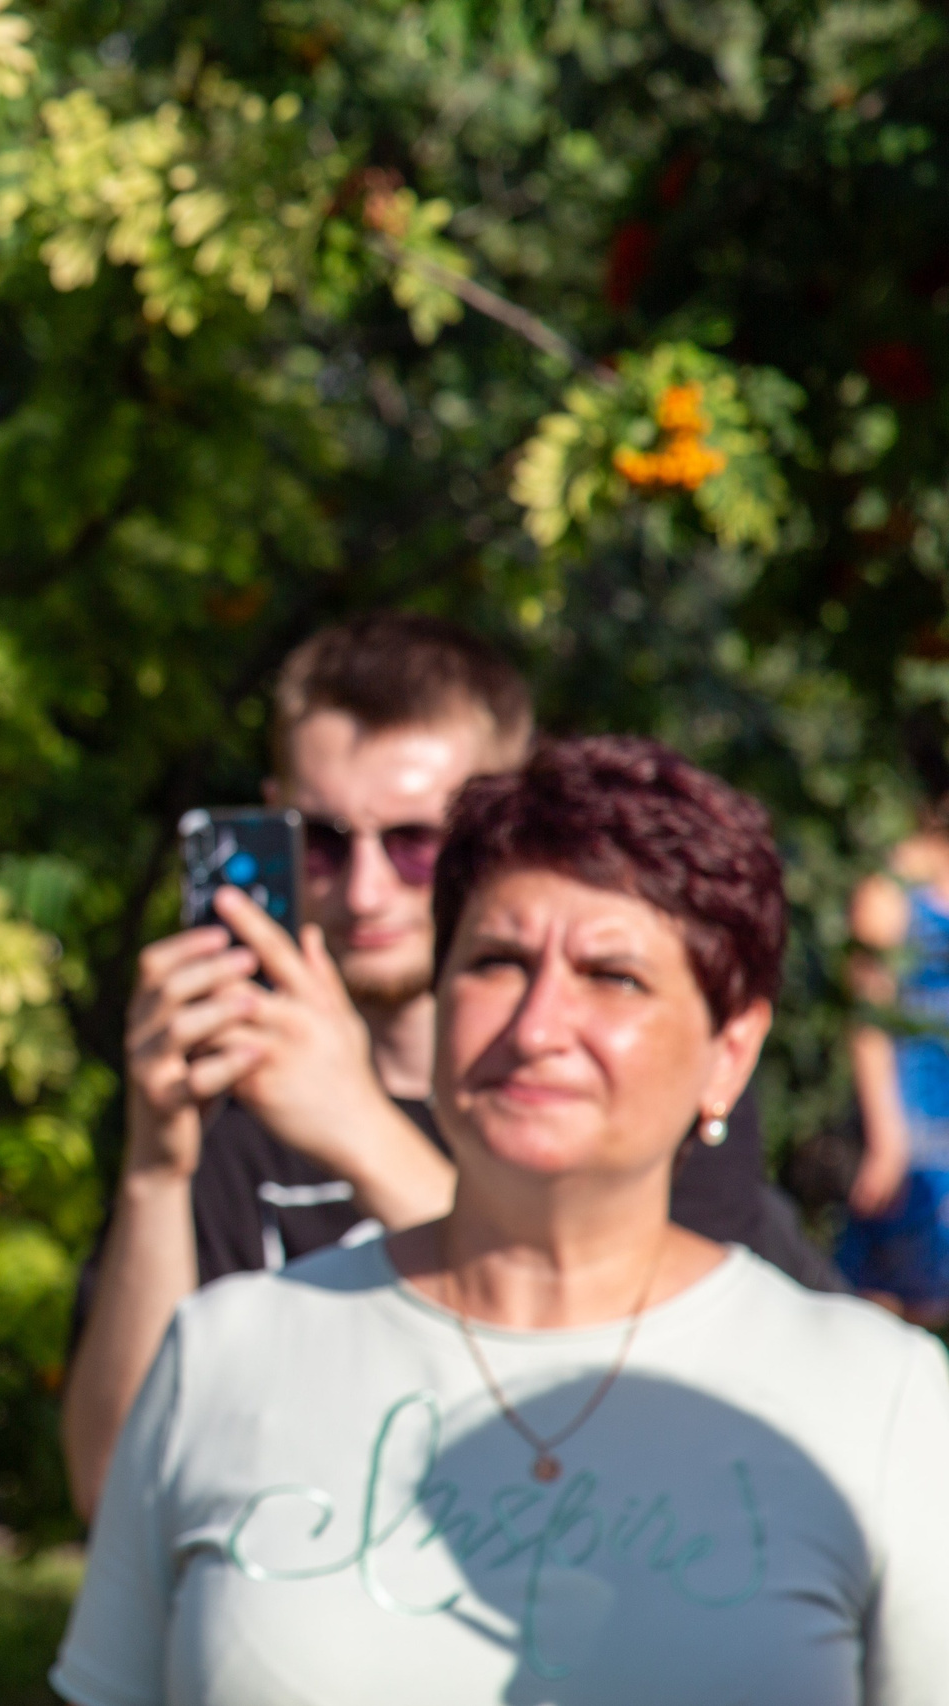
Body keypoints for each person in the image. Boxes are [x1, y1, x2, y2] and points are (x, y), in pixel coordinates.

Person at [51, 736, 949, 1705]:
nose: (534, 1026)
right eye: (495, 960)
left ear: (728, 1051)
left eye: (612, 975)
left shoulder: (875, 1394)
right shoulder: (226, 1347)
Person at [61, 614, 828, 1521]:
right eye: (326, 840)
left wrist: (356, 1126)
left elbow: (648, 1410)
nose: (366, 891)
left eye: (417, 842)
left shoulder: (619, 1081)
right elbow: (114, 1491)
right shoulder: (233, 1089)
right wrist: (157, 1166)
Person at [839, 817, 949, 1324]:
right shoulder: (893, 882)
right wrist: (886, 1134)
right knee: (887, 1304)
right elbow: (867, 1017)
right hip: (909, 1109)